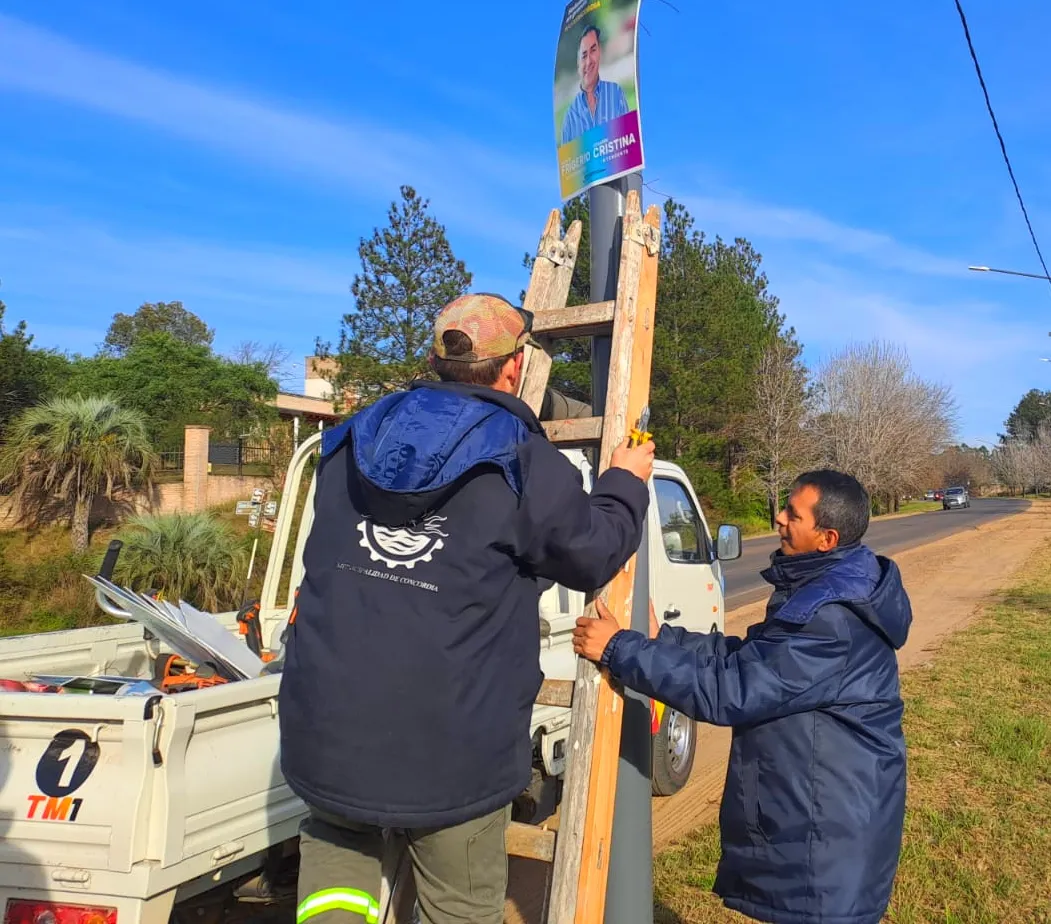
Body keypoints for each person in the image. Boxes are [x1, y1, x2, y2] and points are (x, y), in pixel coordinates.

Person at [278, 292, 654, 924]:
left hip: (327, 741)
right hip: (451, 759)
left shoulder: (352, 440)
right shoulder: (519, 455)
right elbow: (591, 554)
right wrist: (624, 483)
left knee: (333, 904)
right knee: (460, 908)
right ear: (513, 370)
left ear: (437, 359)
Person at [573, 470, 913, 924]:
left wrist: (620, 649)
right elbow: (753, 660)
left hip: (827, 833)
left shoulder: (830, 617)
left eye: (793, 513)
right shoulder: (831, 586)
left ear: (826, 538)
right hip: (827, 817)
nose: (778, 518)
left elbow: (732, 691)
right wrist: (662, 639)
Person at [560, 22, 630, 144]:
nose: (589, 61)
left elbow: (629, 143)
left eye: (593, 50)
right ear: (577, 64)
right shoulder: (570, 117)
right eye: (583, 55)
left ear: (599, 53)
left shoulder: (615, 93)